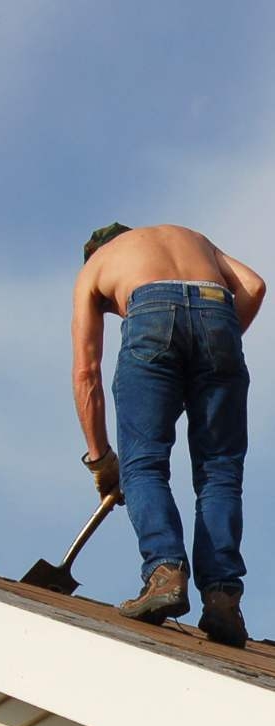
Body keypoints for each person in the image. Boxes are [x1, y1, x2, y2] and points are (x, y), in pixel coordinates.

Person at [72, 222, 265, 648]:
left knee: (144, 464)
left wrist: (101, 458)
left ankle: (164, 574)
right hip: (219, 319)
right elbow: (253, 285)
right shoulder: (190, 237)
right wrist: (210, 353)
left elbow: (87, 372)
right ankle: (222, 601)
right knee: (219, 472)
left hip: (153, 320)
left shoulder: (95, 267)